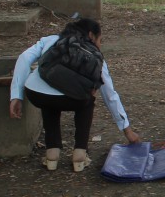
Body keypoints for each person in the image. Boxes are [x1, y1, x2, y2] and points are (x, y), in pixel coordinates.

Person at [9, 18, 141, 171]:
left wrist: (16, 96)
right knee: (89, 97)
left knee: (49, 101)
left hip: (35, 93)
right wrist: (128, 131)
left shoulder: (51, 40)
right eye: (100, 39)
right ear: (91, 35)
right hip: (74, 100)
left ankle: (52, 154)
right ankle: (80, 153)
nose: (100, 44)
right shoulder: (93, 54)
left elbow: (24, 58)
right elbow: (110, 94)